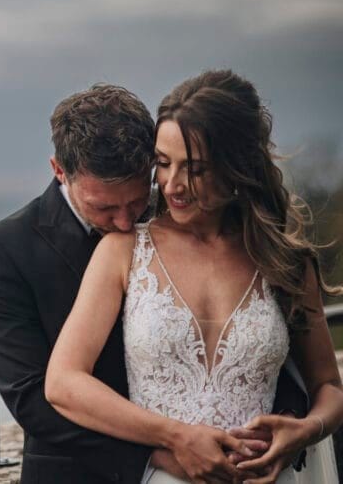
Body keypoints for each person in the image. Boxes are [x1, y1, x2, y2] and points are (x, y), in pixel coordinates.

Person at [45, 70, 342, 483]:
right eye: (163, 164)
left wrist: (306, 430)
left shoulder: (285, 261)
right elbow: (63, 382)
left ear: (237, 167)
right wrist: (176, 438)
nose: (173, 185)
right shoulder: (124, 251)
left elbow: (328, 384)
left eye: (195, 169)